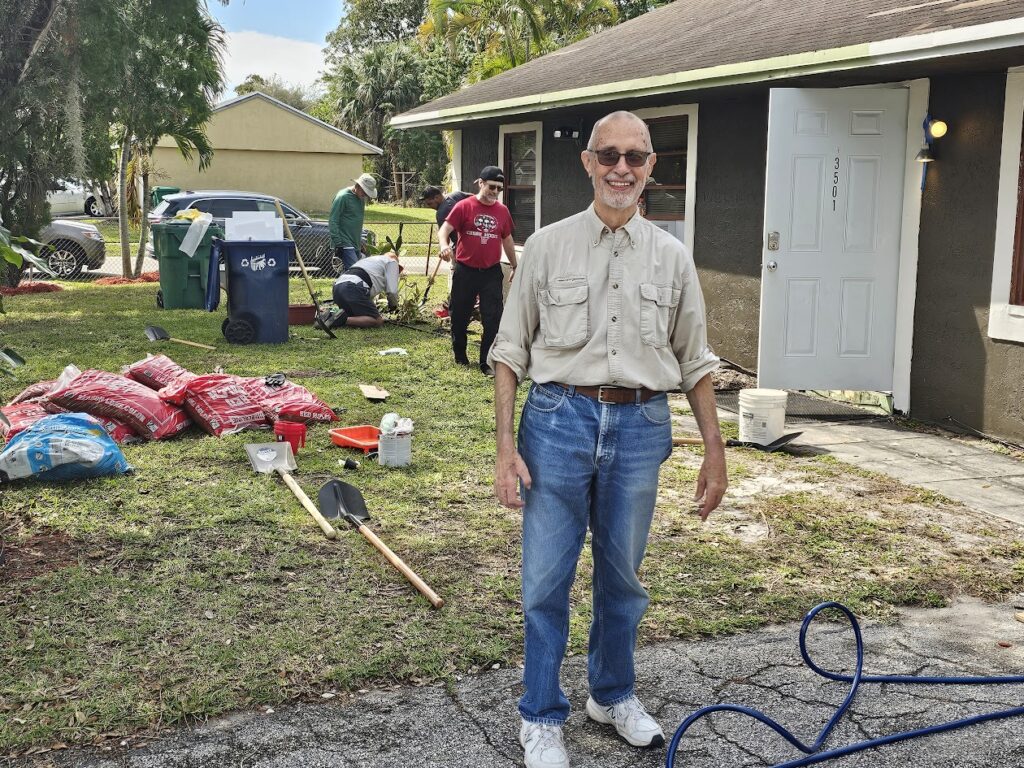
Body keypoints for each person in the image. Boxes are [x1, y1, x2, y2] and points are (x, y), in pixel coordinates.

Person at [488, 111, 728, 768]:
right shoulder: (546, 247)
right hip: (557, 423)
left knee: (623, 579)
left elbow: (696, 361)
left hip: (641, 426)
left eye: (636, 157)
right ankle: (540, 716)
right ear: (588, 162)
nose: (622, 168)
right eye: (610, 155)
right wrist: (505, 448)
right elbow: (509, 352)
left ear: (651, 167)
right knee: (545, 579)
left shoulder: (672, 257)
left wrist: (715, 450)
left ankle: (612, 694)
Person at [436, 167, 517, 374]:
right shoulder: (464, 206)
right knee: (459, 316)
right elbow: (444, 230)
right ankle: (460, 355)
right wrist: (444, 245)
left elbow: (507, 239)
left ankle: (486, 361)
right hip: (466, 271)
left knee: (493, 318)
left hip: (491, 272)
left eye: (499, 188)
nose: (495, 192)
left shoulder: (502, 211)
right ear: (481, 183)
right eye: (491, 187)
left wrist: (515, 265)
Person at [320, 251, 401, 329]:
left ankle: (328, 316)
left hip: (338, 287)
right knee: (377, 321)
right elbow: (392, 291)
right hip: (353, 287)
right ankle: (338, 319)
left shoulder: (370, 260)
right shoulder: (392, 262)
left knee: (357, 316)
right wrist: (393, 306)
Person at [329, 173, 377, 272]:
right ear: (358, 186)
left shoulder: (361, 200)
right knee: (355, 271)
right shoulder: (343, 197)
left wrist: (360, 240)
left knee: (351, 273)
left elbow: (355, 221)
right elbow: (333, 220)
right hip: (344, 242)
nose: (365, 195)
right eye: (364, 192)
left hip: (355, 242)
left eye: (367, 193)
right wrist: (338, 243)